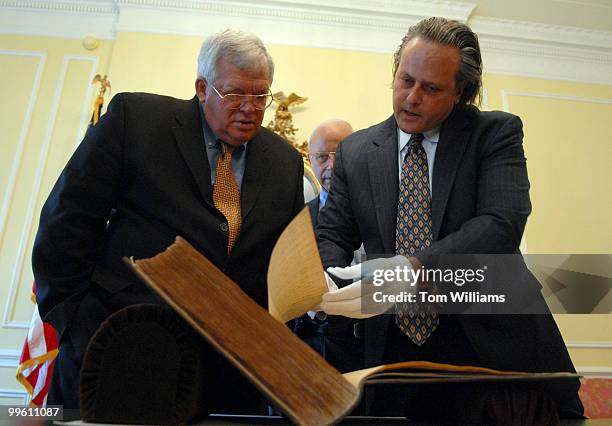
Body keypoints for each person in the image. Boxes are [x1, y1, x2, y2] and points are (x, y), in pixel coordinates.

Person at [316, 17, 583, 422]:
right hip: (391, 356)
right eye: (405, 80)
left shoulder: (494, 134)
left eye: (431, 87)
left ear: (461, 92)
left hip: (487, 347)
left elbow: (501, 222)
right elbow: (333, 233)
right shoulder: (357, 151)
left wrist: (414, 266)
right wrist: (320, 280)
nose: (411, 97)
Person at [32, 29, 304, 413]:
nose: (250, 108)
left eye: (261, 95)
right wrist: (79, 326)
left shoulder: (284, 162)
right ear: (202, 87)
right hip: (120, 355)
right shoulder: (137, 122)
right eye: (236, 93)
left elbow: (283, 265)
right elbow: (67, 223)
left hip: (229, 380)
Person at [294, 120, 364, 373]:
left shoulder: (385, 211)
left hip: (375, 347)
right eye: (322, 157)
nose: (331, 166)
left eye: (341, 155)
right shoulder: (297, 220)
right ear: (310, 160)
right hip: (315, 348)